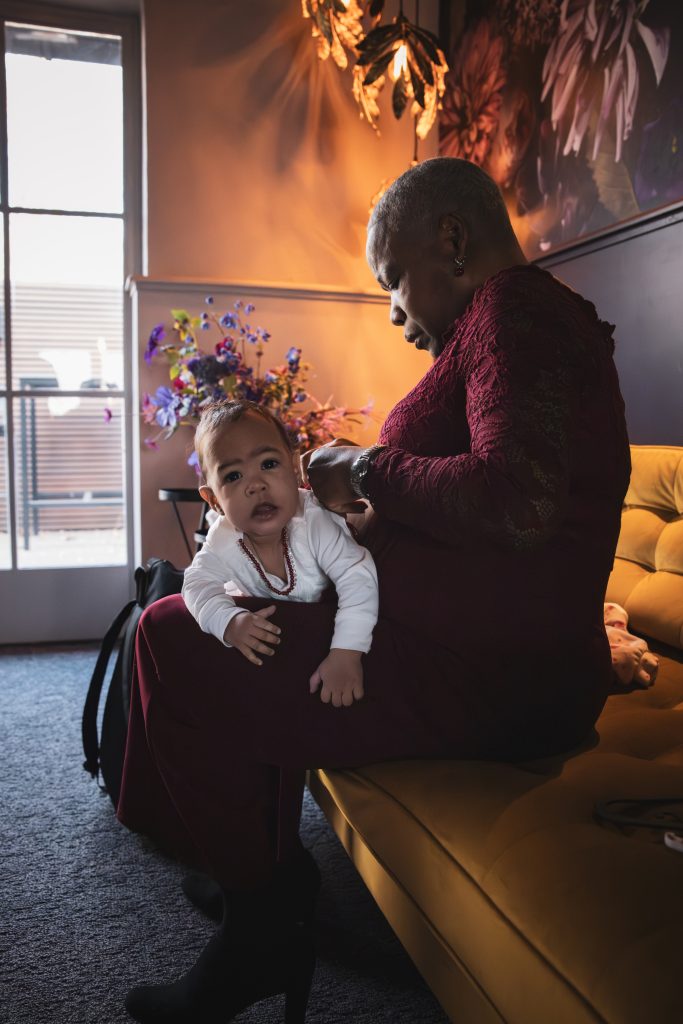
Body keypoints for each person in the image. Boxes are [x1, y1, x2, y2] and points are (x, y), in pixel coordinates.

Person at [118, 157, 630, 1024]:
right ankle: (265, 875)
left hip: (493, 674)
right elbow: (481, 503)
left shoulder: (516, 311)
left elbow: (516, 500)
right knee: (229, 611)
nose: (392, 309)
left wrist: (362, 468)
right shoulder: (508, 324)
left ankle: (262, 921)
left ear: (452, 240)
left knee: (172, 633)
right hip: (464, 644)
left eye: (392, 278)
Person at [182, 399, 377, 706]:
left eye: (269, 464)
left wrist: (346, 653)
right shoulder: (224, 538)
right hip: (279, 638)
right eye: (233, 476)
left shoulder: (313, 521)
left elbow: (357, 578)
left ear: (294, 468)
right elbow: (195, 582)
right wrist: (228, 622)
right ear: (214, 500)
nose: (256, 485)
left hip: (328, 622)